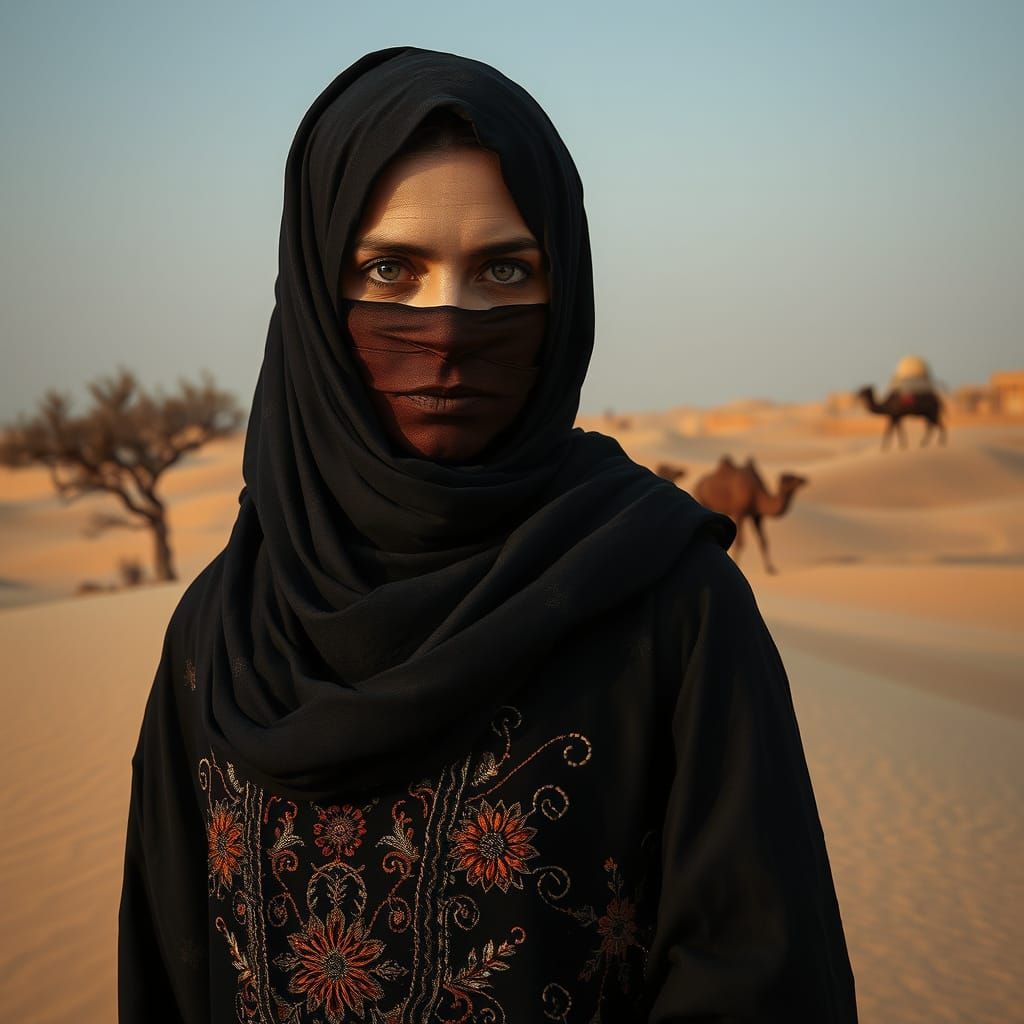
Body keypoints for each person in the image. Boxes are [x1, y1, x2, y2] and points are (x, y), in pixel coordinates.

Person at [118, 47, 858, 1023]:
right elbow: (170, 979)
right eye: (391, 268)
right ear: (311, 288)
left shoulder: (672, 605)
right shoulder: (219, 634)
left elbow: (760, 982)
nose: (450, 324)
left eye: (506, 267)